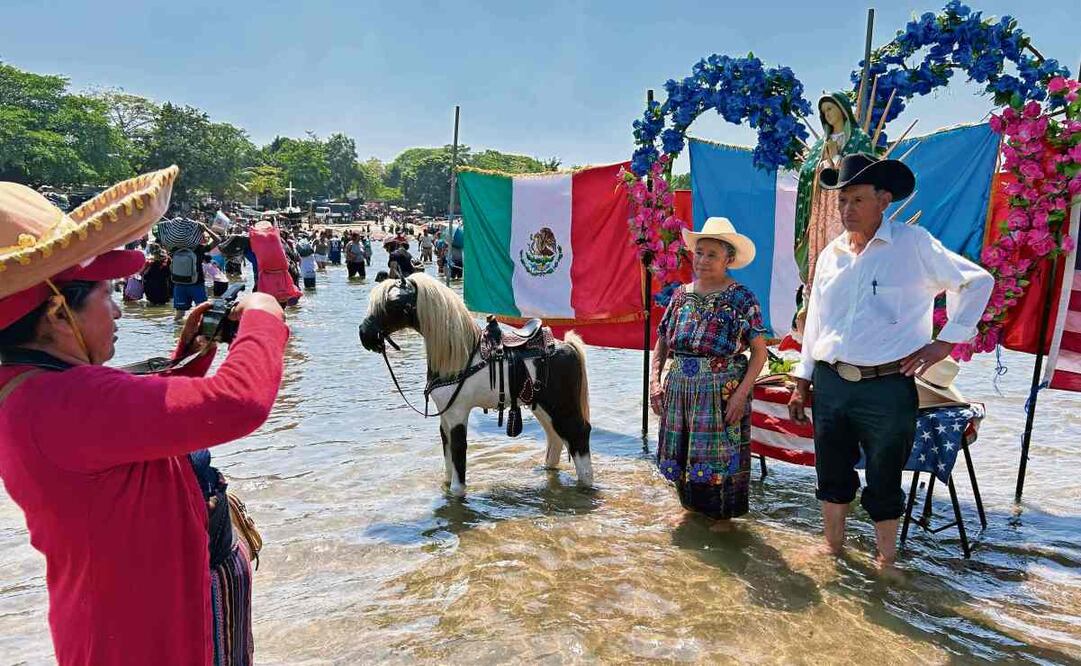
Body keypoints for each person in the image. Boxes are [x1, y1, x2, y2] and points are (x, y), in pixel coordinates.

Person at [0, 166, 290, 665]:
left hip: (121, 616)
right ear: (55, 313)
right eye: (107, 295)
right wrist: (266, 316)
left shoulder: (33, 389)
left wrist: (194, 354)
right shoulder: (68, 400)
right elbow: (239, 403)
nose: (118, 310)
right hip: (146, 633)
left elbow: (139, 424)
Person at [786, 153, 994, 572]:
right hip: (831, 382)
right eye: (843, 201)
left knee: (884, 472)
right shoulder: (830, 255)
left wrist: (945, 343)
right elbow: (816, 323)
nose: (847, 210)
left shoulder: (913, 244)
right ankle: (833, 547)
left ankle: (886, 559)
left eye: (857, 200)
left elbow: (977, 281)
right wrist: (802, 379)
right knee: (831, 467)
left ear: (884, 200)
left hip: (887, 385)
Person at [650, 217, 768, 522]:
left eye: (711, 254)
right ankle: (690, 510)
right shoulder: (680, 295)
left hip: (720, 392)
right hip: (679, 390)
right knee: (682, 450)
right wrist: (655, 382)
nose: (702, 260)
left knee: (720, 456)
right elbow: (662, 342)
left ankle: (722, 521)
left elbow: (759, 353)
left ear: (728, 259)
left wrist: (741, 395)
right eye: (699, 252)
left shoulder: (741, 298)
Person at [170, 221, 221, 321]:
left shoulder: (174, 249)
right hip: (196, 284)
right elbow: (217, 240)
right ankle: (198, 333)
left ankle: (177, 334)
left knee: (179, 315)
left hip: (179, 284)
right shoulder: (199, 249)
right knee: (202, 312)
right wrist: (205, 228)